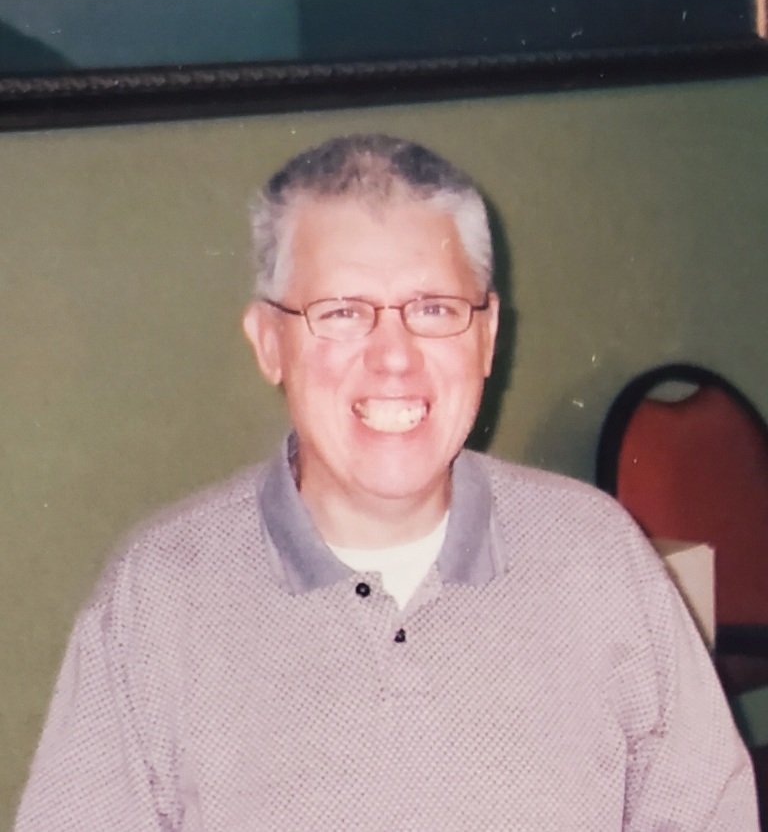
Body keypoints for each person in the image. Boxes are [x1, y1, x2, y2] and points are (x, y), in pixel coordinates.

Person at [15, 134, 758, 831]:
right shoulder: (157, 599)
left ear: (487, 336)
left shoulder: (598, 558)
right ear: (269, 342)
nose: (394, 358)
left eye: (434, 309)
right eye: (342, 313)